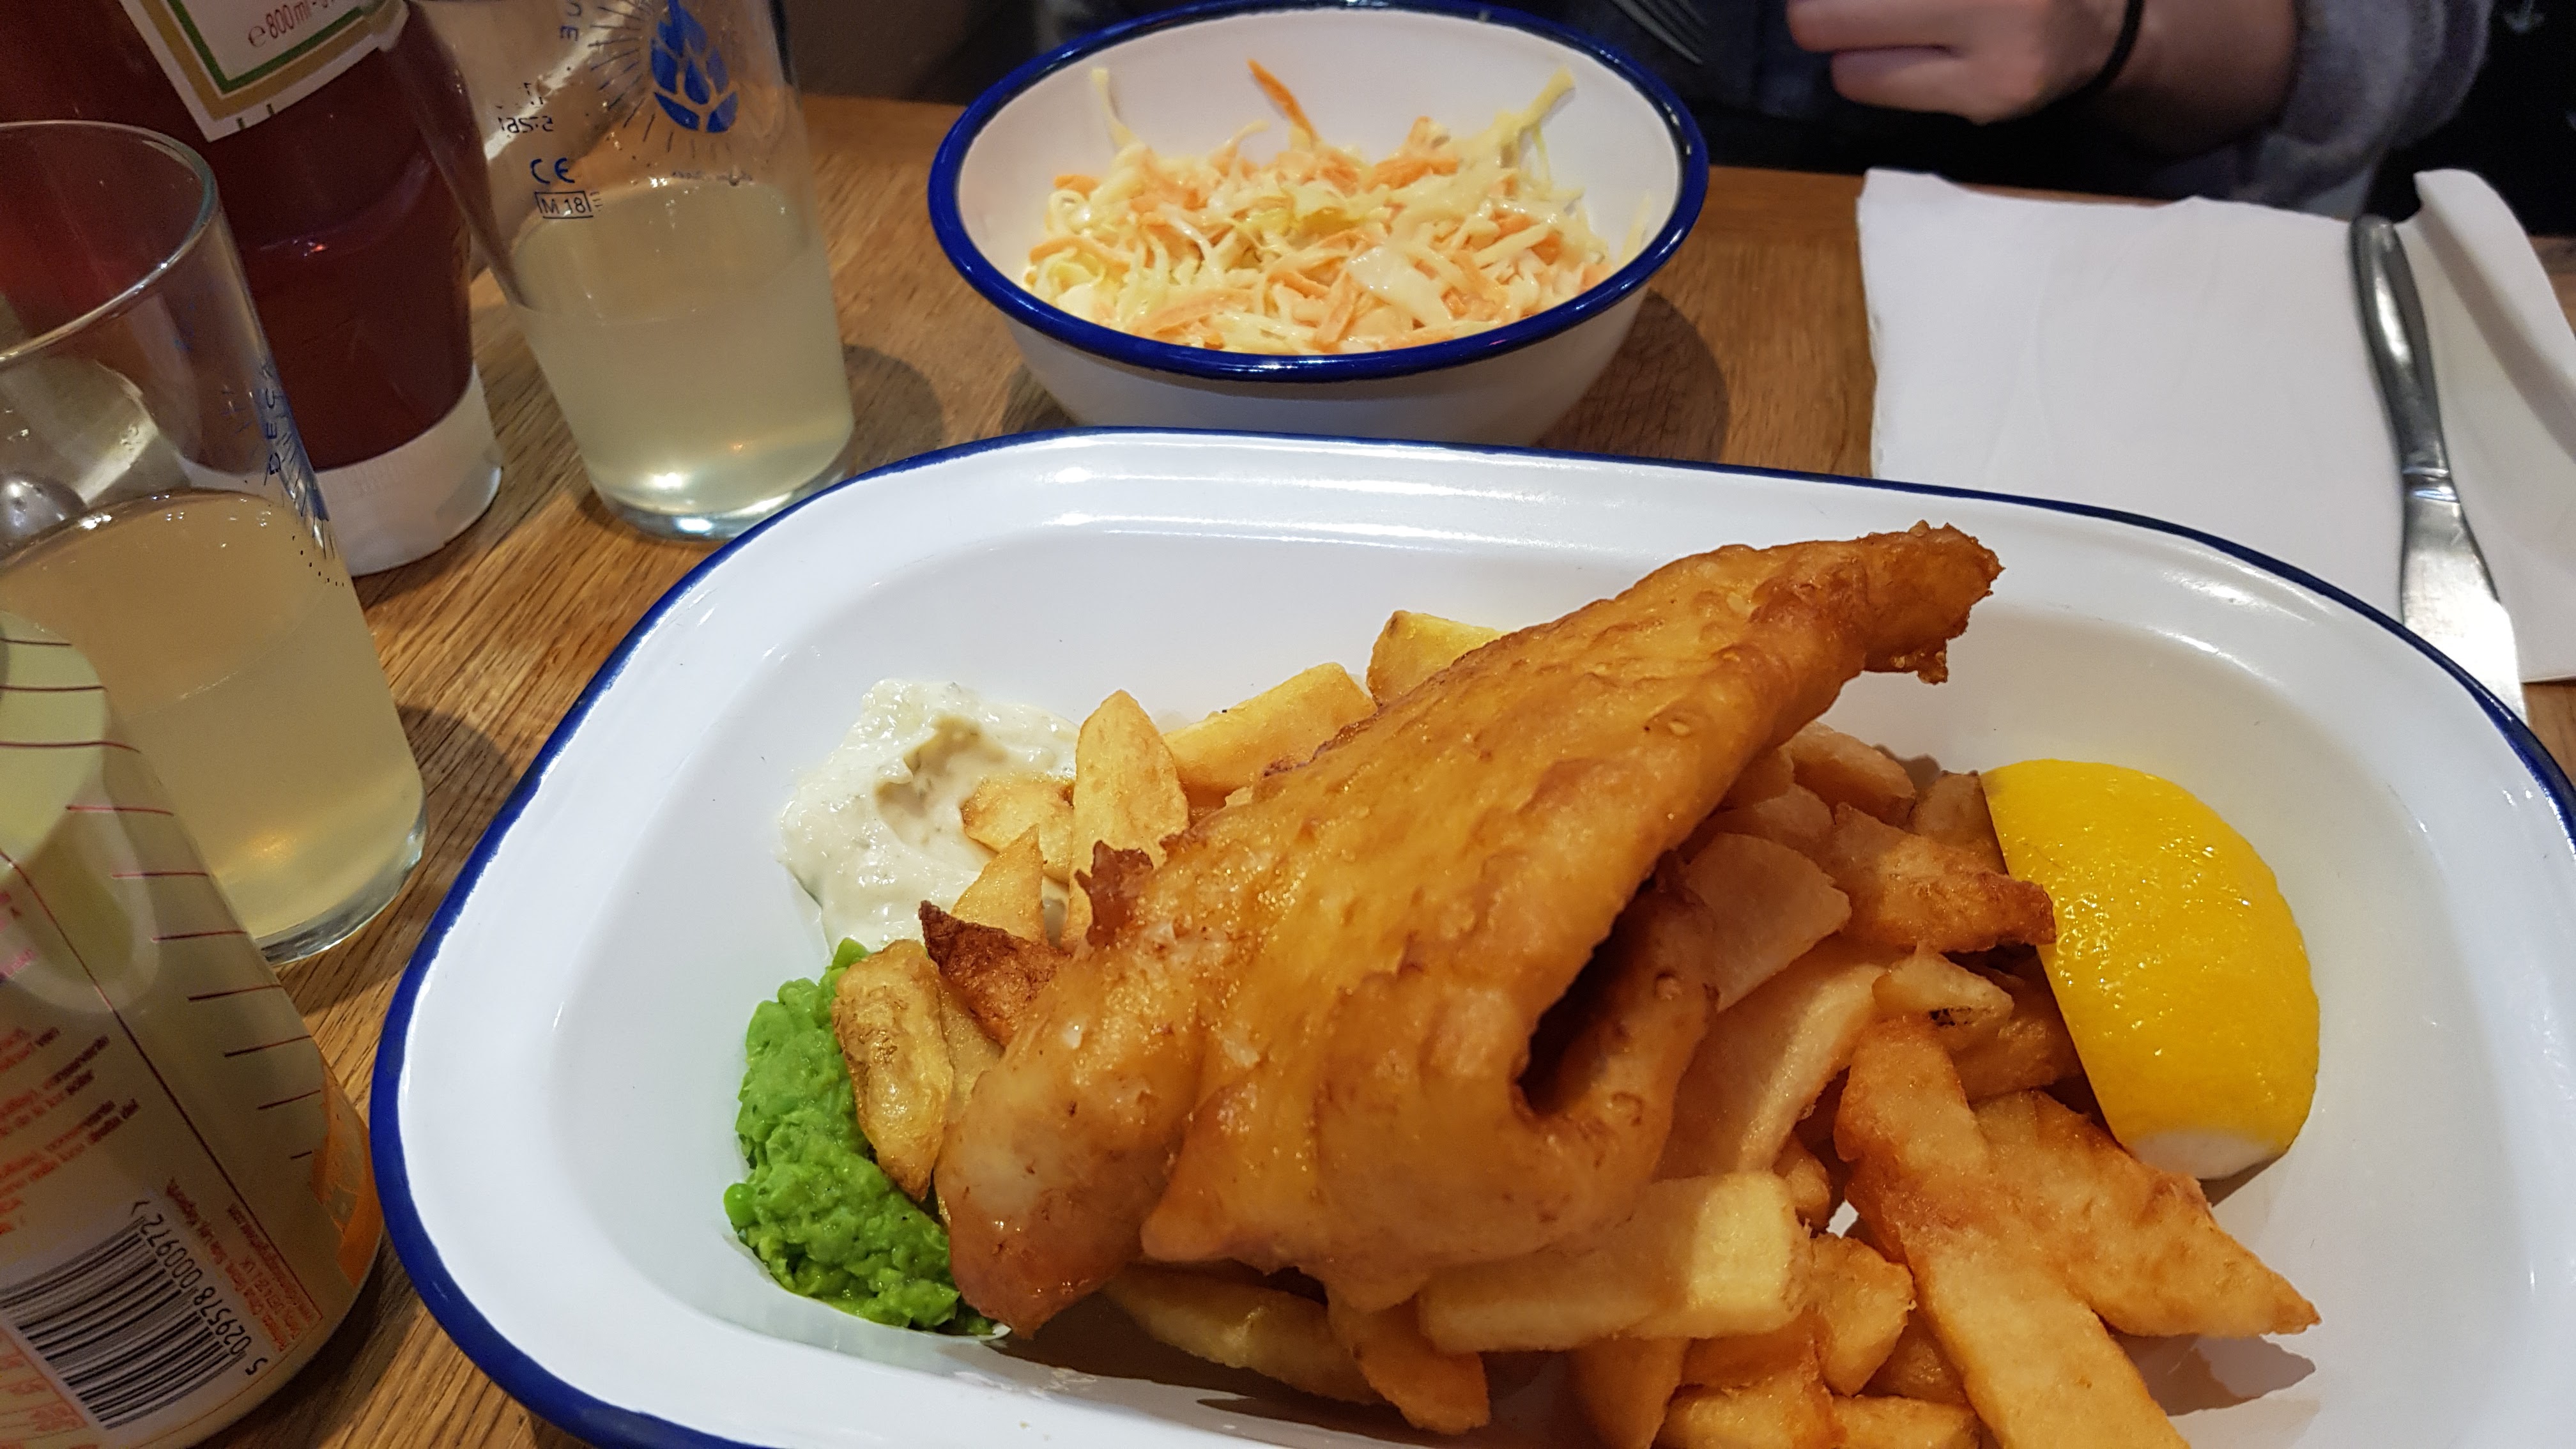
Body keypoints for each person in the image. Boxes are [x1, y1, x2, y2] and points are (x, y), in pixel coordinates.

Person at [1038, 0, 2490, 212]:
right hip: (1298, 244)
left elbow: (2420, 47)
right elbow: (1091, 59)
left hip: (2064, 224)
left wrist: (2127, 31)